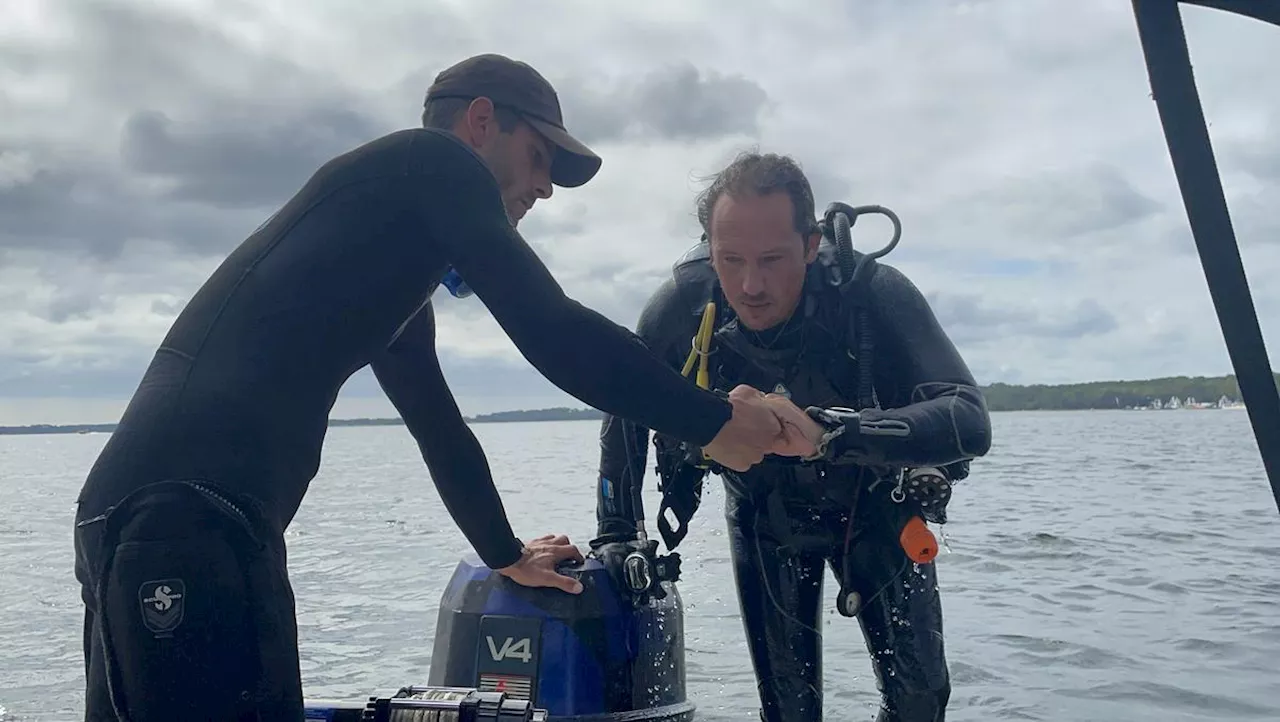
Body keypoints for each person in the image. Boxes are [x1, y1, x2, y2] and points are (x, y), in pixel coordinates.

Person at [71, 54, 814, 722]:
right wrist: (712, 420)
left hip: (152, 516)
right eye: (536, 157)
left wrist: (502, 551)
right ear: (480, 122)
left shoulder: (386, 277)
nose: (544, 188)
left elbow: (439, 427)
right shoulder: (434, 162)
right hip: (184, 519)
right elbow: (550, 329)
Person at [591, 151, 993, 722]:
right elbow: (622, 404)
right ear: (709, 245)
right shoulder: (684, 304)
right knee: (788, 711)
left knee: (921, 702)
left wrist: (831, 431)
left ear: (809, 245)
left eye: (773, 259)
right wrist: (616, 531)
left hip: (877, 508)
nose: (750, 285)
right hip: (766, 521)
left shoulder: (869, 293)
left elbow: (969, 417)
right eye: (730, 259)